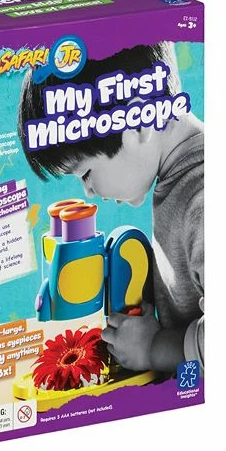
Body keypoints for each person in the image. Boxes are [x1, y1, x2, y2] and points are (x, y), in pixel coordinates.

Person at [18, 42, 204, 373]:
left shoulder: (202, 200)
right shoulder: (177, 179)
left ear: (138, 122)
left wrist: (154, 348)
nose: (89, 192)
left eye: (86, 173)